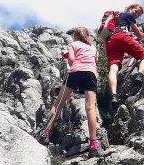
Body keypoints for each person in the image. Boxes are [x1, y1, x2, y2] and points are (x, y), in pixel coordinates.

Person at [38, 27, 99, 158]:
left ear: (75, 36)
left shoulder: (72, 44)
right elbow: (95, 62)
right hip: (90, 75)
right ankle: (93, 146)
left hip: (75, 72)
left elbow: (71, 60)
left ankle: (46, 134)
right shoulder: (93, 48)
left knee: (58, 103)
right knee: (90, 109)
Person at [105, 4, 144, 109]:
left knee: (114, 67)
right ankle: (140, 75)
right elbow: (139, 35)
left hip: (109, 42)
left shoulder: (116, 17)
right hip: (121, 37)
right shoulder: (128, 15)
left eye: (138, 15)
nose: (136, 15)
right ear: (130, 8)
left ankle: (114, 95)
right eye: (135, 12)